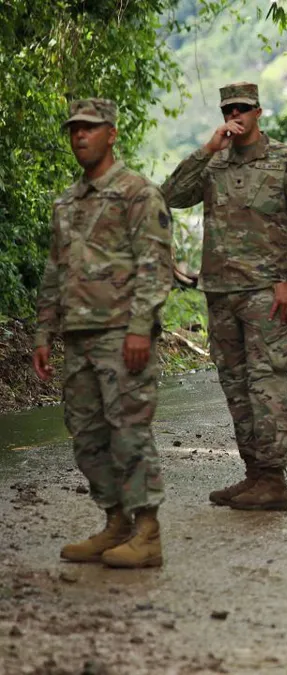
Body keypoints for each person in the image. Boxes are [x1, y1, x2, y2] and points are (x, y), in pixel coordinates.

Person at [160, 82, 287, 511]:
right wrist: (206, 148)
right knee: (234, 386)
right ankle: (255, 475)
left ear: (258, 112)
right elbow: (169, 196)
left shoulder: (285, 162)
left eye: (244, 108)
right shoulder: (213, 164)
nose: (235, 115)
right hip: (220, 293)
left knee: (266, 383)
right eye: (229, 108)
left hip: (265, 295)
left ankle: (273, 479)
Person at [32, 98, 175, 568]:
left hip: (121, 335)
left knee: (129, 432)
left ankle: (147, 533)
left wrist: (140, 328)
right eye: (74, 129)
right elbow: (55, 271)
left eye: (89, 129)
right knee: (87, 435)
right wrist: (42, 333)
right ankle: (115, 522)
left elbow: (155, 267)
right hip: (77, 336)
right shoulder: (67, 203)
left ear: (111, 134)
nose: (80, 136)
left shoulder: (137, 193)